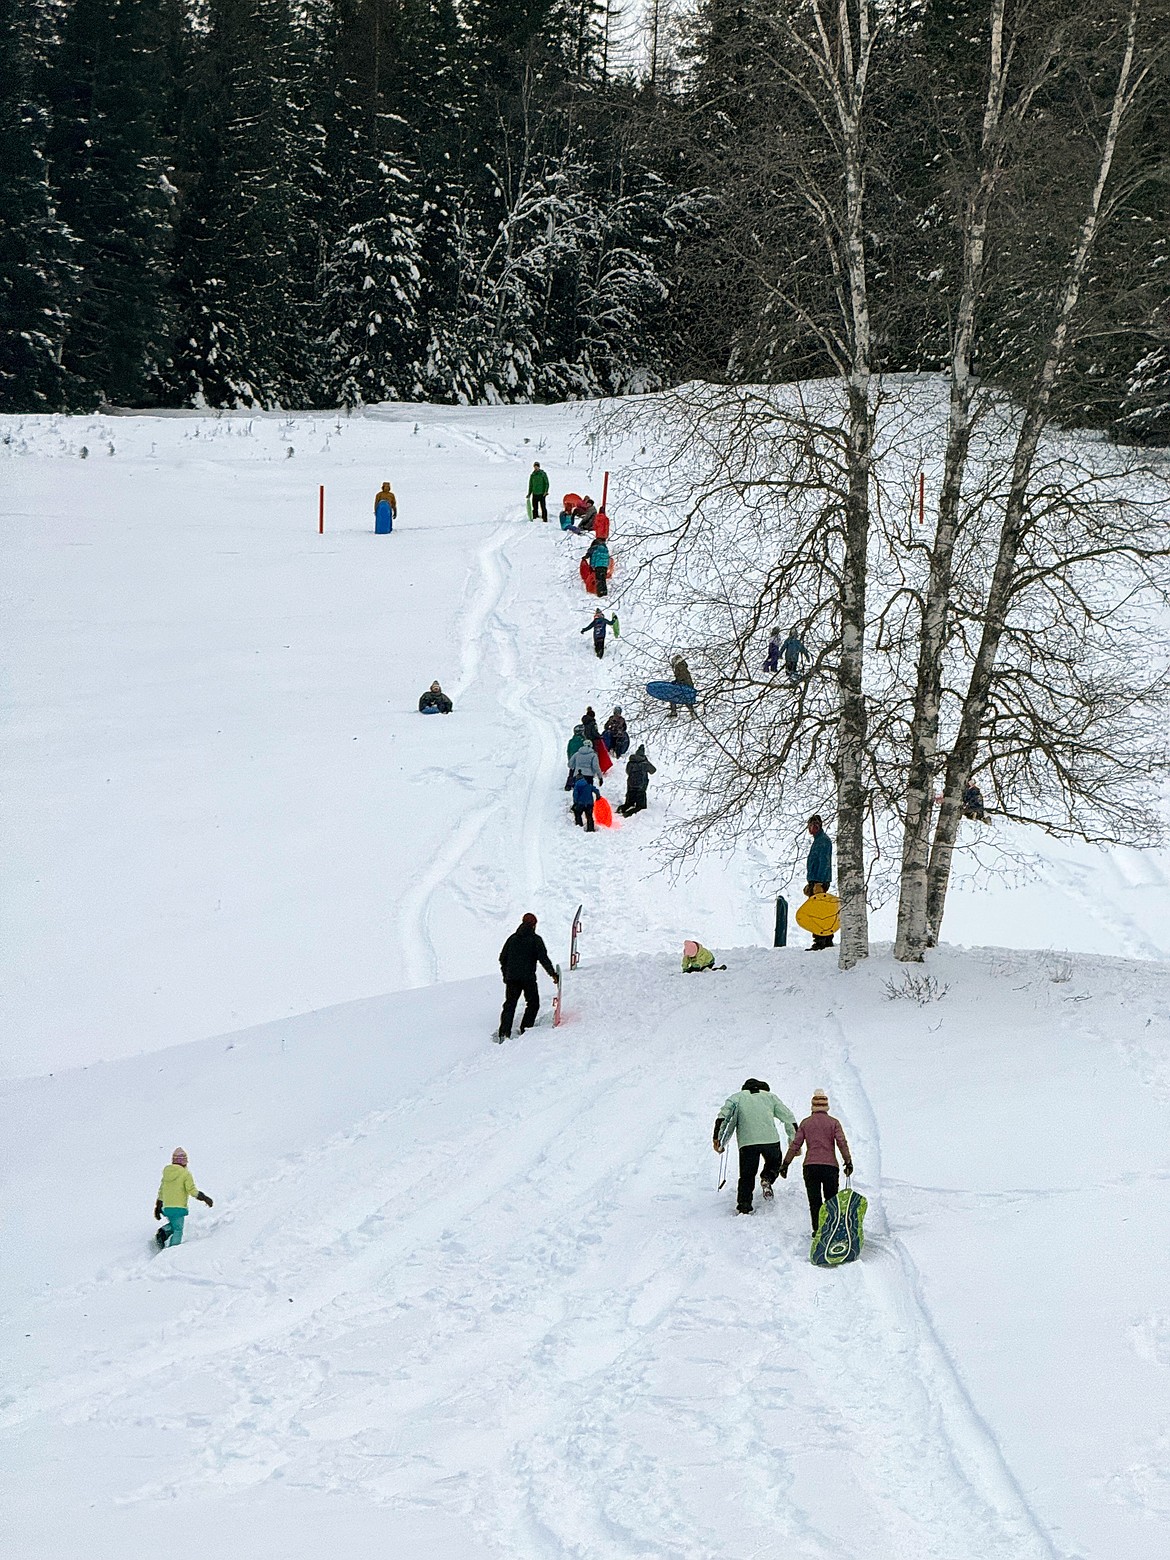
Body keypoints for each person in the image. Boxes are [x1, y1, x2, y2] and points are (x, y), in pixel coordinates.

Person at [713, 1078, 798, 1215]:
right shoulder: (770, 1097)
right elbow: (788, 1117)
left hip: (747, 1142)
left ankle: (744, 1206)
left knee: (747, 1175)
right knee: (774, 1162)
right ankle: (767, 1178)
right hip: (770, 1140)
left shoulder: (737, 1097)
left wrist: (717, 1139)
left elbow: (723, 1117)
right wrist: (794, 1140)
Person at [780, 1089, 853, 1232]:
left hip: (810, 1167)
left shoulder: (806, 1123)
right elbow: (841, 1142)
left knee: (815, 1202)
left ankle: (817, 1231)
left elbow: (795, 1144)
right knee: (831, 1201)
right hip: (830, 1167)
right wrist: (848, 1161)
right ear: (826, 1106)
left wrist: (785, 1163)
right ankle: (832, 1230)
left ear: (812, 1106)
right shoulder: (834, 1123)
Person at [498, 912, 558, 1039]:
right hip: (528, 978)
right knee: (533, 1003)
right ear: (534, 925)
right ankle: (526, 1029)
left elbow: (502, 958)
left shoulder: (512, 939)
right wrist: (553, 974)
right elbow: (543, 959)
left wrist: (506, 975)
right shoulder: (535, 940)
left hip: (512, 978)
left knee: (510, 1004)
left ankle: (504, 1032)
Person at [154, 1148, 214, 1248]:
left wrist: (158, 1205)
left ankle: (163, 1232)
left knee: (174, 1225)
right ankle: (173, 1249)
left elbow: (162, 1190)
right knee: (178, 1229)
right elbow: (192, 1190)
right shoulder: (185, 1174)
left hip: (167, 1207)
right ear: (184, 1162)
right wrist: (205, 1198)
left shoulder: (166, 1174)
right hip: (179, 1207)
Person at [804, 816, 834, 948]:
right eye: (810, 825)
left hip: (819, 881)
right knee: (820, 909)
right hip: (815, 880)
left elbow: (824, 862)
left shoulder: (823, 841)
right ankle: (826, 938)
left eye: (815, 825)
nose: (812, 828)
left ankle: (820, 939)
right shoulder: (818, 841)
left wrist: (819, 882)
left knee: (818, 911)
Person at [619, 743, 656, 815]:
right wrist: (646, 761)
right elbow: (653, 770)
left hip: (631, 784)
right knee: (641, 806)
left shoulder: (630, 762)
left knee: (629, 802)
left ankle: (622, 809)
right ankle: (629, 813)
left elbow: (628, 772)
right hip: (641, 786)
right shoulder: (645, 763)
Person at [669, 655, 696, 719]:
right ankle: (692, 711)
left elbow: (683, 676)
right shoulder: (682, 665)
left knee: (672, 696)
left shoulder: (680, 665)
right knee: (686, 699)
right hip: (687, 684)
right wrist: (676, 681)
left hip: (684, 684)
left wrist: (678, 681)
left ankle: (674, 712)